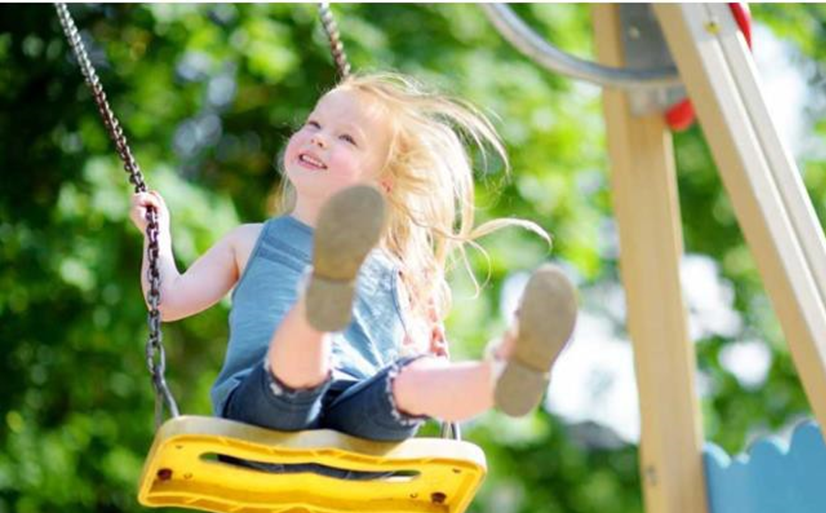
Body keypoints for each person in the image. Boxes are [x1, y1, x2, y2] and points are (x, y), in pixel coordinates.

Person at [128, 72, 577, 457]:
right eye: (314, 123)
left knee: (413, 380)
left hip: (358, 420)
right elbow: (167, 300)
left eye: (346, 138)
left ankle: (499, 373)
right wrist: (158, 236)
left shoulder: (395, 271)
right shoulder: (251, 241)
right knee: (297, 375)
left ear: (380, 185)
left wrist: (428, 349)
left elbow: (408, 354)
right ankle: (319, 299)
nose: (319, 137)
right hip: (263, 410)